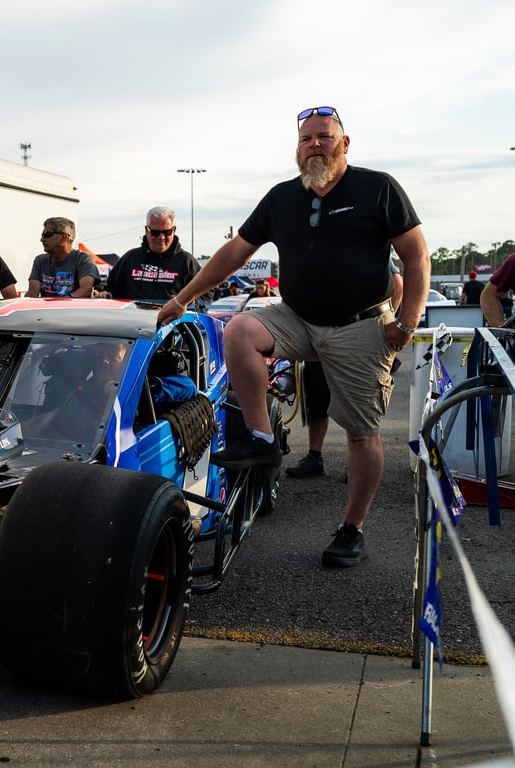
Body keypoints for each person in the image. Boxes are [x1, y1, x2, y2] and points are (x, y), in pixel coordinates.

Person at [157, 105, 430, 568]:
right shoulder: (282, 197)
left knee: (362, 435)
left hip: (360, 325)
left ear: (345, 144)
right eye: (307, 139)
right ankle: (263, 442)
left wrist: (406, 321)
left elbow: (416, 256)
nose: (315, 145)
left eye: (325, 136)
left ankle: (352, 527)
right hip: (298, 318)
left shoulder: (377, 187)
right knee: (240, 329)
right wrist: (183, 298)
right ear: (297, 149)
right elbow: (233, 254)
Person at [285, 263, 405, 479]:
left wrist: (387, 324)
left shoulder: (367, 246)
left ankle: (357, 463)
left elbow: (398, 284)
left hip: (356, 337)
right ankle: (315, 457)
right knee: (316, 399)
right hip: (320, 335)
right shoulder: (319, 248)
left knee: (356, 403)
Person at [104, 206, 206, 303]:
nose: (161, 237)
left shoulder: (187, 261)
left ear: (174, 230)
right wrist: (104, 294)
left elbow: (206, 295)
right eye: (155, 232)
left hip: (173, 320)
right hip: (134, 319)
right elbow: (110, 290)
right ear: (146, 230)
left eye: (167, 232)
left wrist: (188, 302)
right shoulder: (130, 258)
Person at [27, 217, 100, 297]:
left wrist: (61, 305)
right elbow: (32, 294)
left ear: (63, 238)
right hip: (47, 309)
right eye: (42, 235)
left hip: (72, 309)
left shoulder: (83, 260)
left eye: (47, 235)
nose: (42, 239)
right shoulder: (40, 261)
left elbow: (86, 290)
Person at [481, 253, 515, 326]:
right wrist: (501, 333)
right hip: (507, 304)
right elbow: (488, 296)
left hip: (507, 304)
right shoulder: (513, 261)